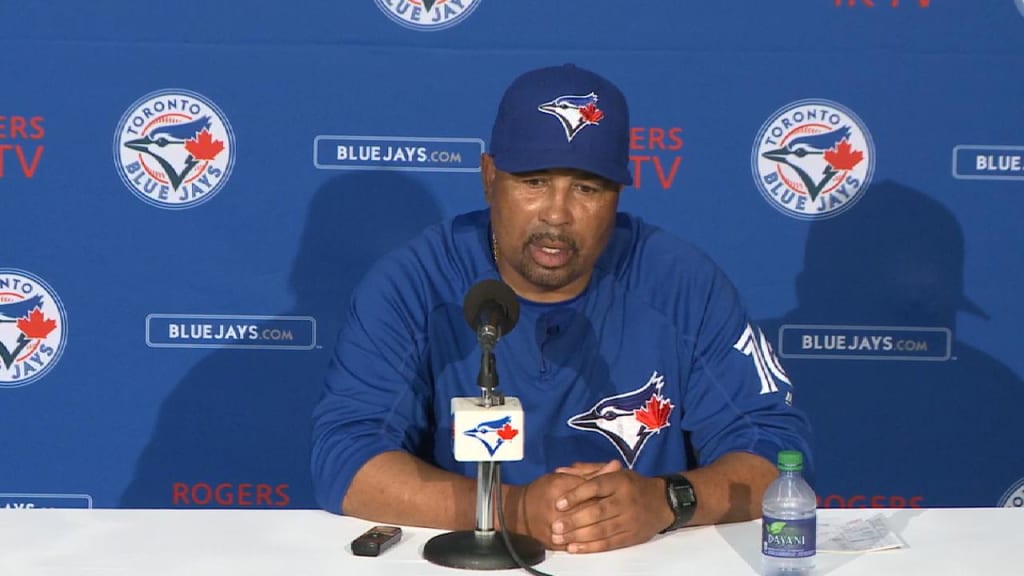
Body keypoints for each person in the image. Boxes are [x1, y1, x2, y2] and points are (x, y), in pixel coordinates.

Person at [311, 63, 812, 554]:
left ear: (617, 196)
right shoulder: (413, 283)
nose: (557, 214)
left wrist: (667, 500)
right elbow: (346, 463)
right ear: (489, 177)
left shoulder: (683, 283)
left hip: (642, 560)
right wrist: (517, 509)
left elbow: (776, 455)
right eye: (533, 182)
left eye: (587, 188)